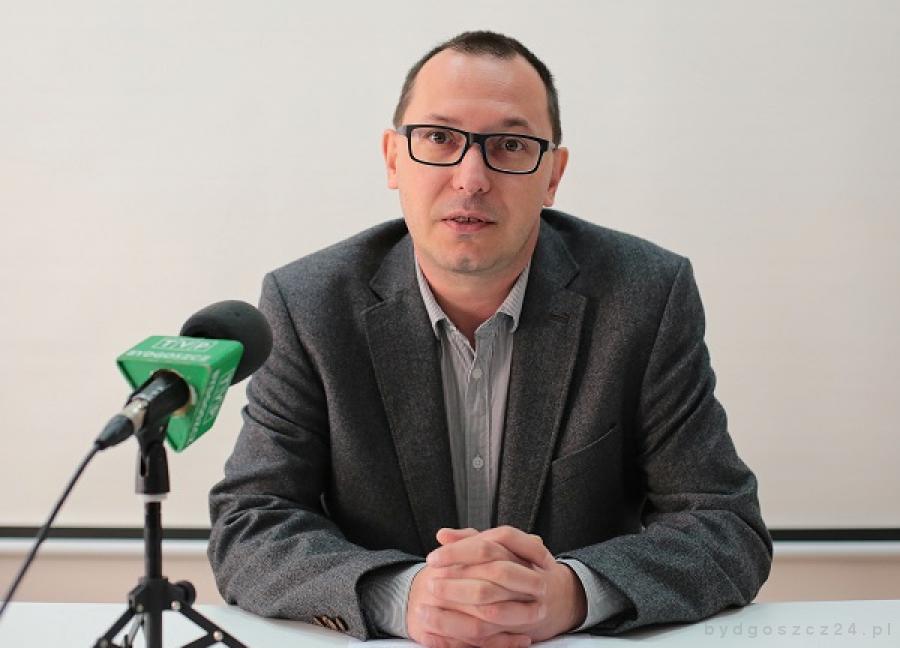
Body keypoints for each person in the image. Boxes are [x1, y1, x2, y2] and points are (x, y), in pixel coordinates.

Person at [208, 31, 772, 648]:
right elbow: (250, 523)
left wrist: (572, 592)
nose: (471, 178)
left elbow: (723, 524)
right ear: (394, 159)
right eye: (439, 139)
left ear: (553, 175)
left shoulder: (644, 295)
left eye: (509, 145)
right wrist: (403, 596)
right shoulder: (309, 304)